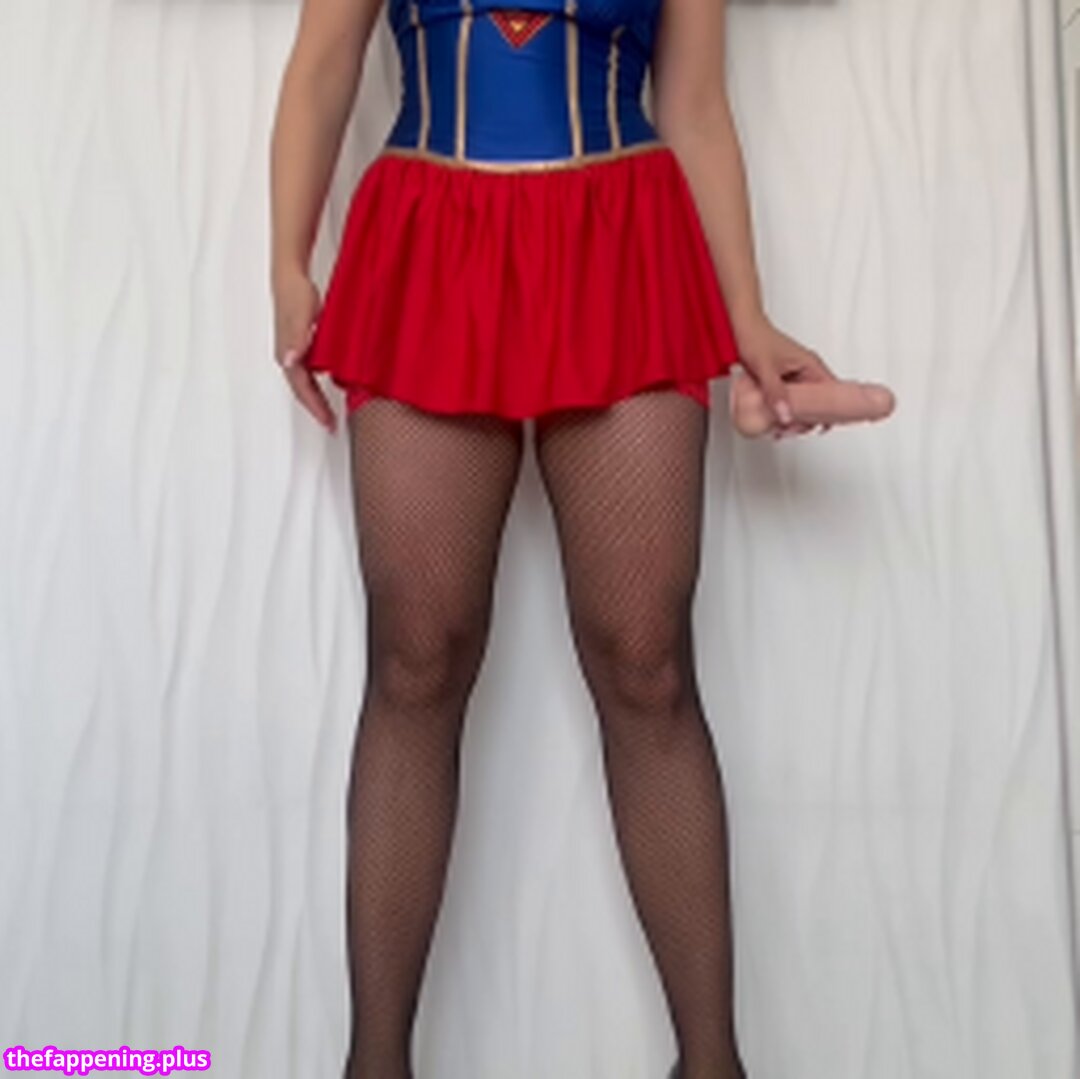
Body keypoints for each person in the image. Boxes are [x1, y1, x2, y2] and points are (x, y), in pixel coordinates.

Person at [269, 0, 895, 1075]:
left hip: (625, 242)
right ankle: (375, 1064)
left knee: (646, 662)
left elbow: (695, 106)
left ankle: (713, 1065)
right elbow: (325, 61)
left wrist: (747, 315)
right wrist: (286, 261)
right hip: (429, 241)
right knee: (417, 659)